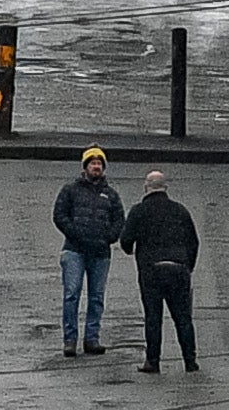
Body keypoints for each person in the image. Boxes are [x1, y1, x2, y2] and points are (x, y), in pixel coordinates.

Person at [124, 168, 204, 373]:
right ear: (165, 188)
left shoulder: (138, 211)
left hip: (151, 270)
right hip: (178, 269)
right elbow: (193, 242)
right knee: (183, 317)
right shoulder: (180, 210)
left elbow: (125, 242)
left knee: (153, 317)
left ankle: (153, 361)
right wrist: (188, 267)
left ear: (146, 188)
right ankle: (190, 360)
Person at [49, 146, 123, 357]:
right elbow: (59, 215)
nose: (96, 167)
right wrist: (75, 234)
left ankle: (92, 339)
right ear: (85, 167)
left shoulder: (111, 194)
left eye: (99, 164)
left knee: (96, 297)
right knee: (71, 295)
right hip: (74, 251)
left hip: (100, 253)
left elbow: (119, 220)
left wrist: (108, 238)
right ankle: (70, 340)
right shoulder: (70, 190)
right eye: (92, 163)